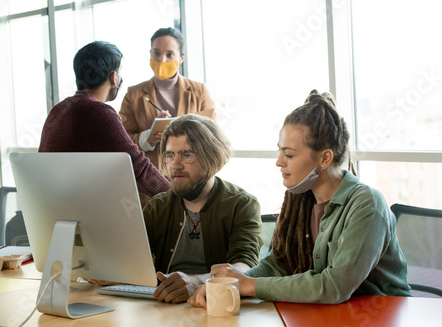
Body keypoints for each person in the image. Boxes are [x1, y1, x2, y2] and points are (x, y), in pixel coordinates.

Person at [189, 90, 411, 307]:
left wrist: (249, 286)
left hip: (383, 315)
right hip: (328, 315)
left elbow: (334, 286)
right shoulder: (302, 197)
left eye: (289, 154)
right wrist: (231, 282)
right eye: (280, 151)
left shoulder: (368, 205)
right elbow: (280, 263)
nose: (279, 162)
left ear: (324, 158)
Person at [143, 114, 263, 303]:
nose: (175, 164)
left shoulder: (242, 204)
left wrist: (197, 282)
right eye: (169, 155)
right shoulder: (157, 206)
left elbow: (244, 266)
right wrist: (111, 271)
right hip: (163, 306)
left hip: (216, 306)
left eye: (186, 154)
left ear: (211, 158)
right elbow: (132, 259)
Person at [38, 41, 169, 199]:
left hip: (55, 211)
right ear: (114, 77)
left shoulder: (57, 110)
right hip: (88, 213)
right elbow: (139, 168)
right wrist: (179, 199)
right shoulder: (98, 113)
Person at [119, 27, 215, 167]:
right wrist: (149, 136)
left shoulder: (199, 91)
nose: (162, 60)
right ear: (150, 54)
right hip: (151, 176)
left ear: (181, 58)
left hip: (193, 171)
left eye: (169, 54)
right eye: (156, 53)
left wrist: (184, 134)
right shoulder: (133, 94)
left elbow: (213, 133)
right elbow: (123, 139)